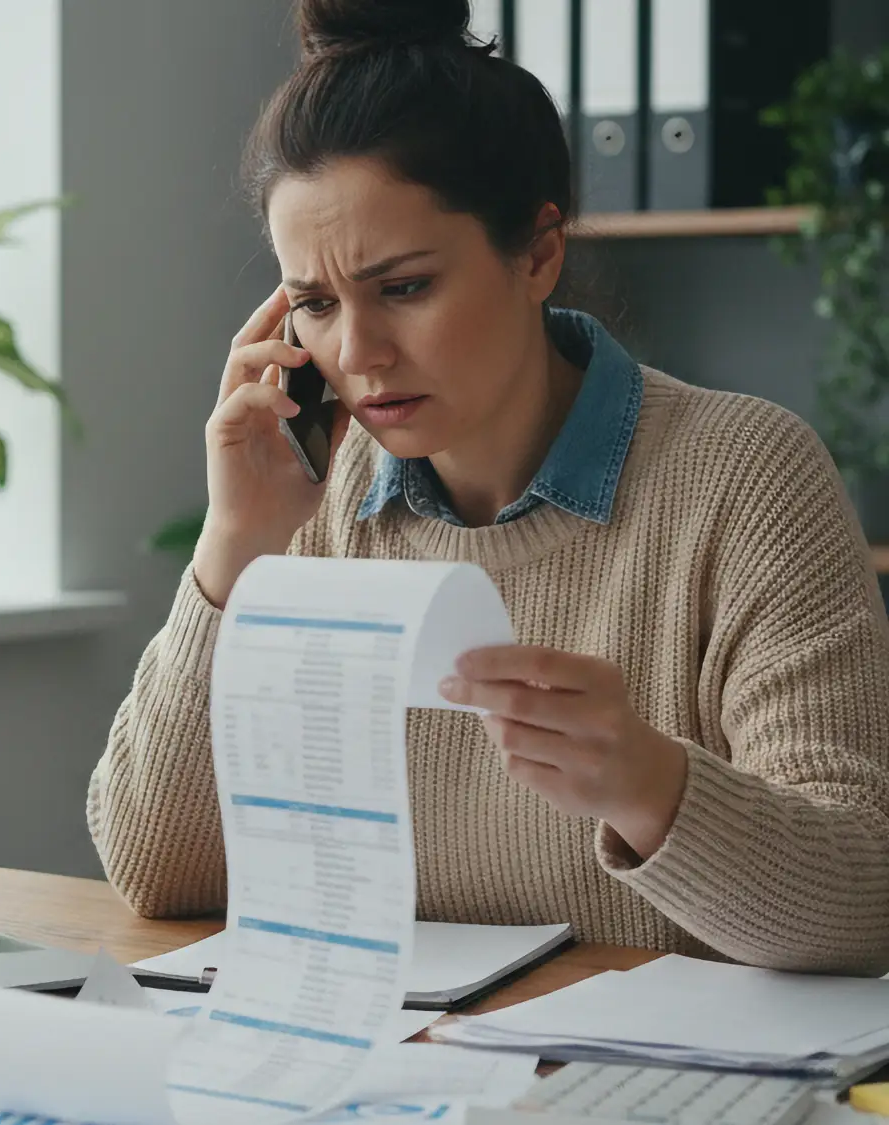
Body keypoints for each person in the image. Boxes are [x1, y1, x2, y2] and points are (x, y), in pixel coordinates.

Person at [87, 0, 889, 974]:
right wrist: (232, 551)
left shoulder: (743, 476)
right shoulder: (314, 495)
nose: (357, 352)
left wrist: (648, 784)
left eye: (404, 287)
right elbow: (155, 872)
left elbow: (862, 902)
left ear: (536, 253)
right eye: (313, 304)